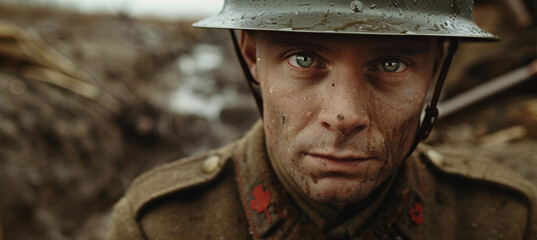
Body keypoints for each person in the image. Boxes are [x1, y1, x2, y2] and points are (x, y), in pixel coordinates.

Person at [107, 0, 537, 239]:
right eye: (303, 58)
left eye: (391, 64)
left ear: (437, 67)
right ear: (251, 55)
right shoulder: (161, 227)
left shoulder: (506, 221)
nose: (344, 114)